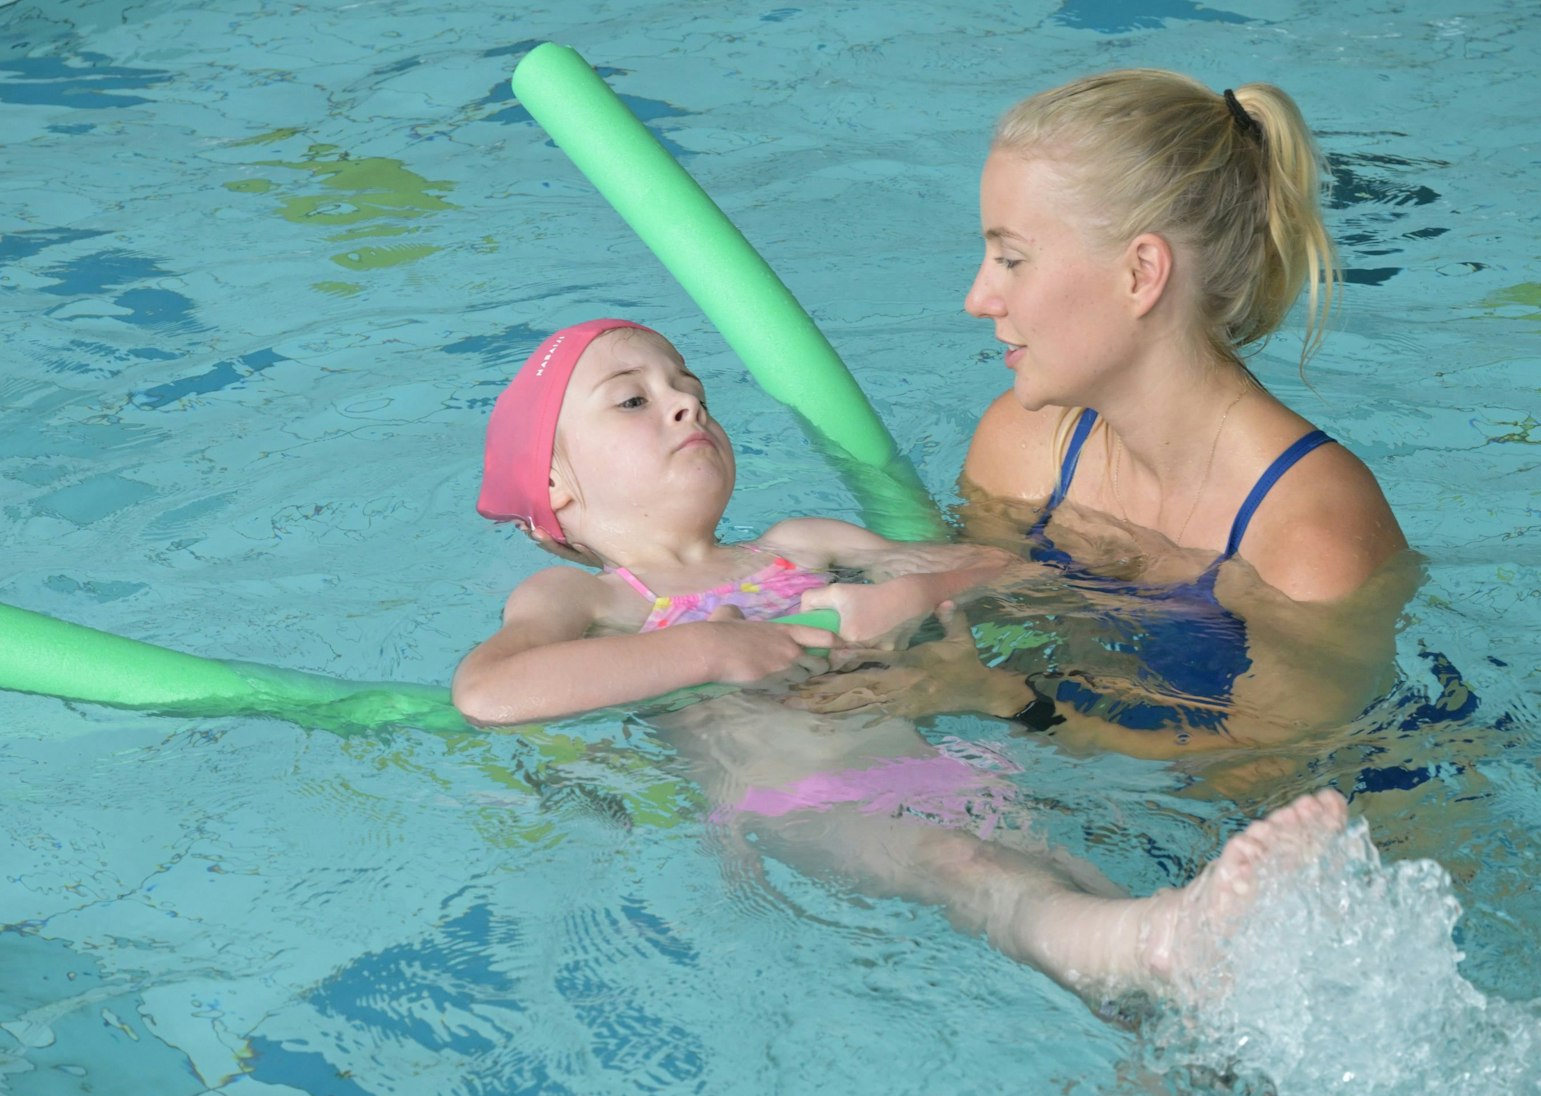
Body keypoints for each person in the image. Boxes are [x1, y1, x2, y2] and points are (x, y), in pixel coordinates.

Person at [451, 317, 1353, 1004]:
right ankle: (1164, 941)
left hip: (944, 766)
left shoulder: (800, 546)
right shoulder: (591, 601)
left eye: (689, 386)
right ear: (556, 486)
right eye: (633, 399)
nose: (686, 401)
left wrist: (907, 593)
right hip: (801, 804)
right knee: (970, 872)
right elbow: (490, 691)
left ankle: (1181, 1049)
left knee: (1060, 888)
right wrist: (706, 646)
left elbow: (1006, 571)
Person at [795, 70, 1418, 759]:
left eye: (1011, 258)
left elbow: (1259, 772)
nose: (978, 298)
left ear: (1141, 274)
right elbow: (984, 626)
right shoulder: (1024, 449)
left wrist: (1006, 699)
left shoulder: (1311, 534)